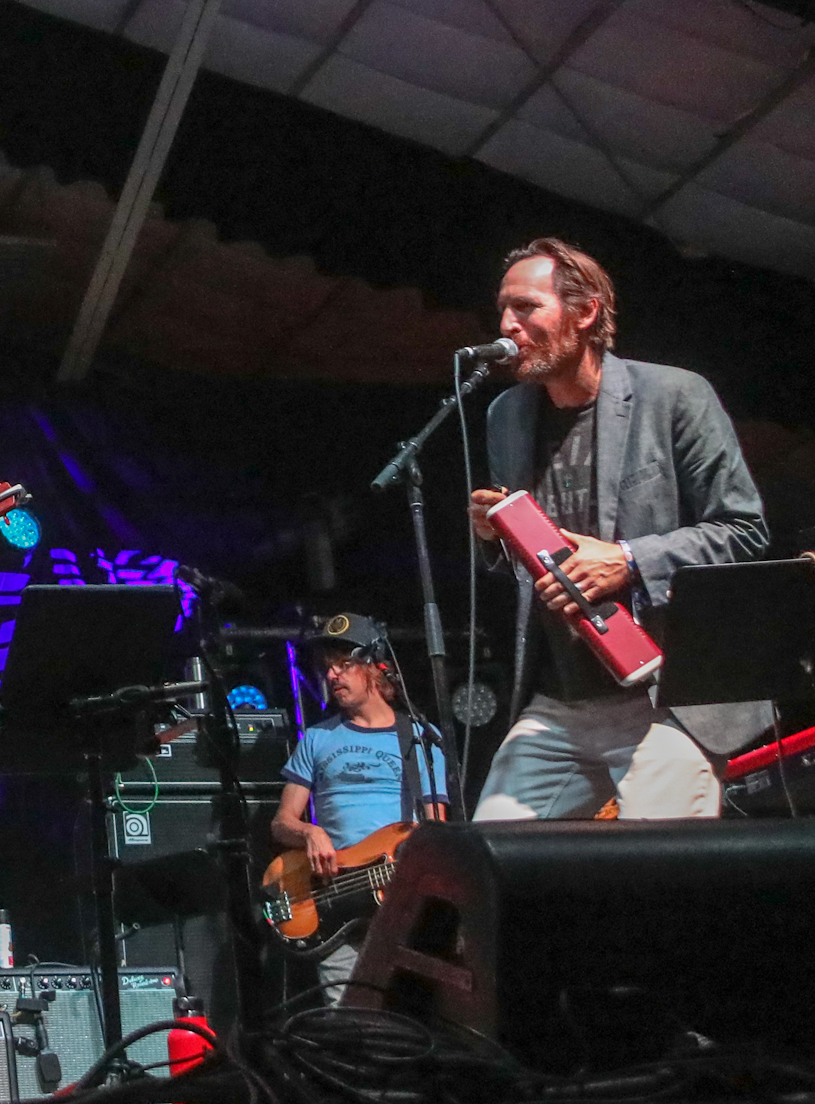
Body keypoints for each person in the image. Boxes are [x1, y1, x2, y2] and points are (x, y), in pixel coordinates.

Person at [467, 238, 770, 821]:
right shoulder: (505, 415)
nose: (507, 324)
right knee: (492, 869)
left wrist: (628, 559)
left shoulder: (675, 395)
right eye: (504, 308)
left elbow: (744, 531)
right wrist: (495, 539)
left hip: (666, 694)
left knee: (660, 883)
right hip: (560, 700)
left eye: (526, 306)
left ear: (585, 312)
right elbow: (528, 564)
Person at [271, 613, 449, 1001]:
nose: (333, 675)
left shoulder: (419, 736)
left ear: (376, 665)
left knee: (412, 1015)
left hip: (400, 901)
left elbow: (438, 833)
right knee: (349, 1021)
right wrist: (310, 832)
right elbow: (282, 823)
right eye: (328, 667)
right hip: (337, 901)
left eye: (344, 664)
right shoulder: (317, 738)